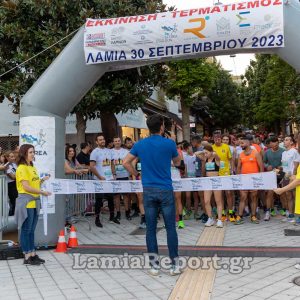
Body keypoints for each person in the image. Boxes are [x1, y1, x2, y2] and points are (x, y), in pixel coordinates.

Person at [123, 114, 182, 276]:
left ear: (149, 127)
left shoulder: (140, 144)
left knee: (150, 228)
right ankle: (174, 265)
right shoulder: (169, 143)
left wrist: (135, 173)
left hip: (148, 189)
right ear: (162, 127)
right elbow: (178, 163)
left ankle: (154, 266)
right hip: (165, 189)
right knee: (171, 227)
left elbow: (125, 162)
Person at [14, 144, 51, 265]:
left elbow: (33, 184)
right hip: (26, 202)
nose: (33, 154)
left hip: (34, 202)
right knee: (26, 230)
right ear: (24, 153)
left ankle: (33, 254)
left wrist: (42, 180)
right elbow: (26, 187)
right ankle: (27, 256)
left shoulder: (32, 167)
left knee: (31, 230)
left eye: (33, 152)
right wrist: (42, 192)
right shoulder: (22, 168)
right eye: (30, 152)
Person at [90, 134, 119, 228]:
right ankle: (97, 219)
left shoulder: (109, 151)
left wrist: (114, 174)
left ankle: (111, 217)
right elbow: (92, 166)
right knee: (99, 200)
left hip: (109, 179)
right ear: (96, 142)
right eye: (100, 140)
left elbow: (112, 164)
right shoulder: (95, 152)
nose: (102, 141)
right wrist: (99, 176)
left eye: (103, 139)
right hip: (99, 180)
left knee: (111, 198)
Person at [235, 135, 264, 225]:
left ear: (248, 143)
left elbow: (261, 167)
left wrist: (260, 179)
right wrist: (238, 180)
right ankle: (239, 216)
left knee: (254, 198)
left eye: (242, 143)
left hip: (254, 180)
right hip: (244, 180)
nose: (241, 145)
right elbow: (239, 168)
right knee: (243, 197)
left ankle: (253, 216)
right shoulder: (241, 154)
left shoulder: (255, 153)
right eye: (240, 143)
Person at [212, 132, 235, 222]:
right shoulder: (212, 148)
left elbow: (231, 159)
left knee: (228, 193)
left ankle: (230, 212)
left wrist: (232, 170)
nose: (217, 139)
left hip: (226, 173)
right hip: (216, 174)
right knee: (219, 195)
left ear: (221, 139)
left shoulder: (226, 147)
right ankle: (222, 213)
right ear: (213, 139)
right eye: (215, 138)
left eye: (219, 138)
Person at [201, 144, 224, 228]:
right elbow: (196, 154)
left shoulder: (216, 159)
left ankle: (219, 220)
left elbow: (218, 157)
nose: (205, 154)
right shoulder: (205, 158)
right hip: (207, 181)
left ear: (211, 152)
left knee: (218, 201)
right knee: (206, 201)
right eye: (204, 153)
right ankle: (210, 219)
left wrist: (213, 153)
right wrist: (203, 152)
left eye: (206, 152)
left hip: (216, 181)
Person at [263, 136, 284, 221]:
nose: (274, 146)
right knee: (270, 193)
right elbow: (264, 162)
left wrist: (281, 167)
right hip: (271, 174)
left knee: (282, 192)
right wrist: (267, 166)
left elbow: (286, 163)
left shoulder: (283, 151)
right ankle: (268, 211)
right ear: (270, 144)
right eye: (272, 144)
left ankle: (284, 209)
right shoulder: (267, 152)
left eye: (275, 144)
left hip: (281, 173)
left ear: (278, 143)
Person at [111, 136, 131, 220]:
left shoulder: (126, 151)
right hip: (115, 177)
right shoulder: (110, 152)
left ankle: (127, 213)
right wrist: (113, 174)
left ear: (121, 141)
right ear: (113, 142)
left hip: (125, 175)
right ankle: (118, 213)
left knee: (126, 195)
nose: (117, 142)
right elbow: (111, 164)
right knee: (116, 196)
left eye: (119, 141)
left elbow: (129, 163)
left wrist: (130, 175)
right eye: (115, 141)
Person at [280, 136, 299, 223]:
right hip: (285, 177)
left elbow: (296, 166)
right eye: (284, 140)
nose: (284, 141)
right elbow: (284, 166)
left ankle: (297, 216)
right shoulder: (283, 153)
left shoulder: (294, 151)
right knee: (288, 196)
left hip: (293, 178)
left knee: (296, 197)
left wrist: (293, 176)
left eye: (287, 140)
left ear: (291, 142)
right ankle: (291, 215)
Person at [4, 151, 18, 216]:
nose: (13, 158)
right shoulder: (6, 166)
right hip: (11, 185)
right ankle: (12, 215)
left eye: (13, 156)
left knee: (17, 201)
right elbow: (12, 177)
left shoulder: (15, 164)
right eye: (11, 157)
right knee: (13, 201)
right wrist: (20, 175)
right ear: (7, 157)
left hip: (17, 183)